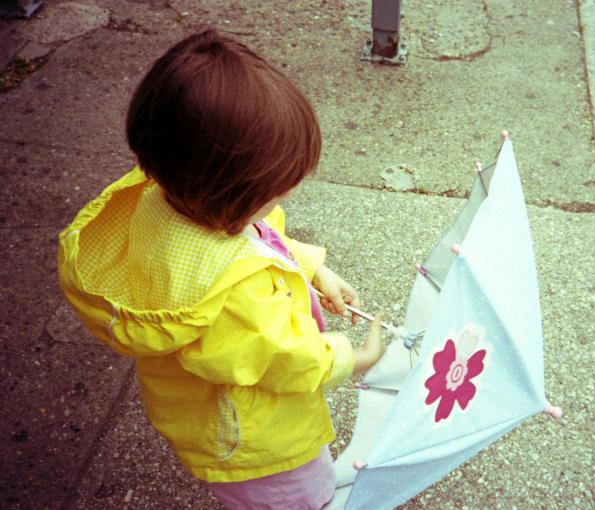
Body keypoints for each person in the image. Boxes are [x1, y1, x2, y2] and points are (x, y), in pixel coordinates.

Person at [57, 29, 385, 509]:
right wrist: (353, 358)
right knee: (302, 497)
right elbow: (283, 356)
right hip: (257, 441)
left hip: (215, 416)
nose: (286, 196)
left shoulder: (171, 198)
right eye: (276, 188)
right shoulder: (230, 295)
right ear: (225, 194)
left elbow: (263, 237)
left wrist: (313, 269)